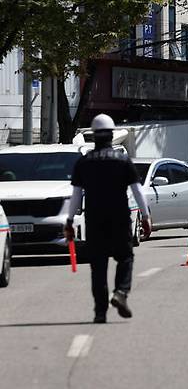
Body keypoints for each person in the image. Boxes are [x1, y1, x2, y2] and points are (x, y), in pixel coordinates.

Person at [64, 114, 152, 323]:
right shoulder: (122, 160)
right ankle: (121, 292)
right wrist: (146, 215)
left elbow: (76, 195)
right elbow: (137, 190)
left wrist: (69, 222)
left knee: (98, 266)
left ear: (93, 136)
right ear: (112, 135)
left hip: (94, 221)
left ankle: (100, 312)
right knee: (125, 257)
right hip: (120, 218)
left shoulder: (83, 162)